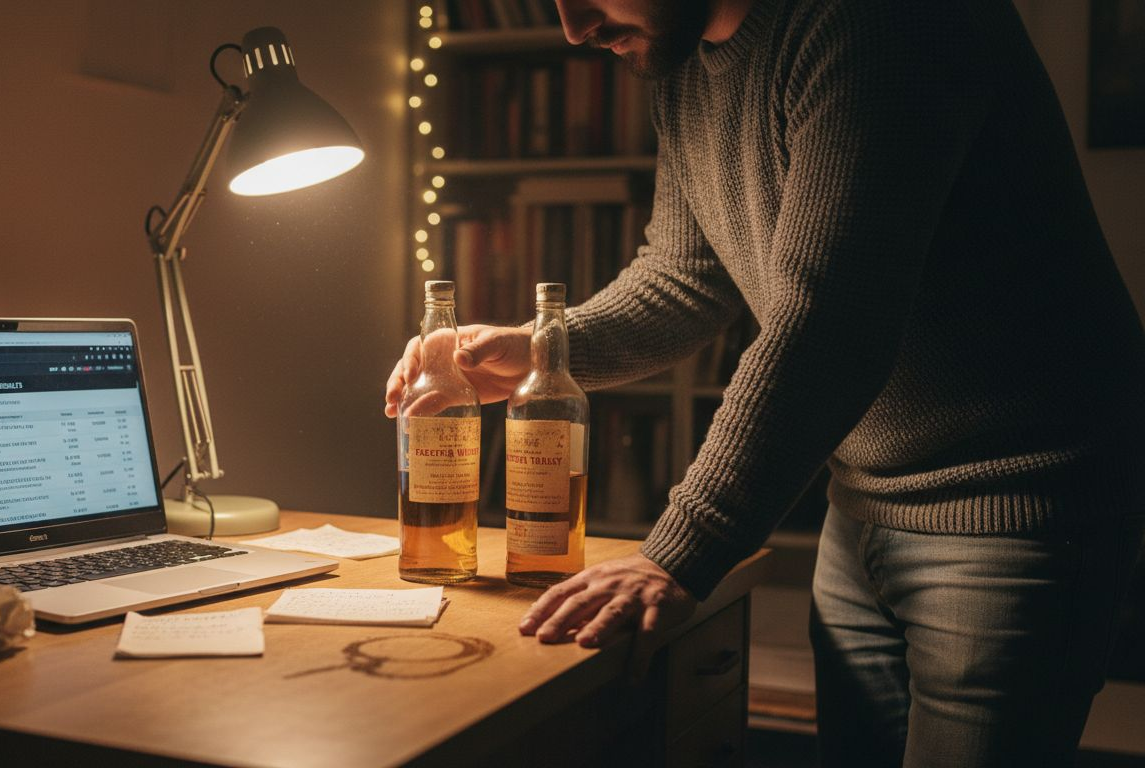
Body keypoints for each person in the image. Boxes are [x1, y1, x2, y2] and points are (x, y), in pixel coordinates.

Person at [385, 0, 1145, 764]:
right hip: (862, 507)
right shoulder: (679, 59)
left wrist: (677, 553)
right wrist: (543, 348)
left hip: (1018, 504)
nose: (575, 27)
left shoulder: (884, 20)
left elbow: (831, 321)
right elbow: (684, 276)